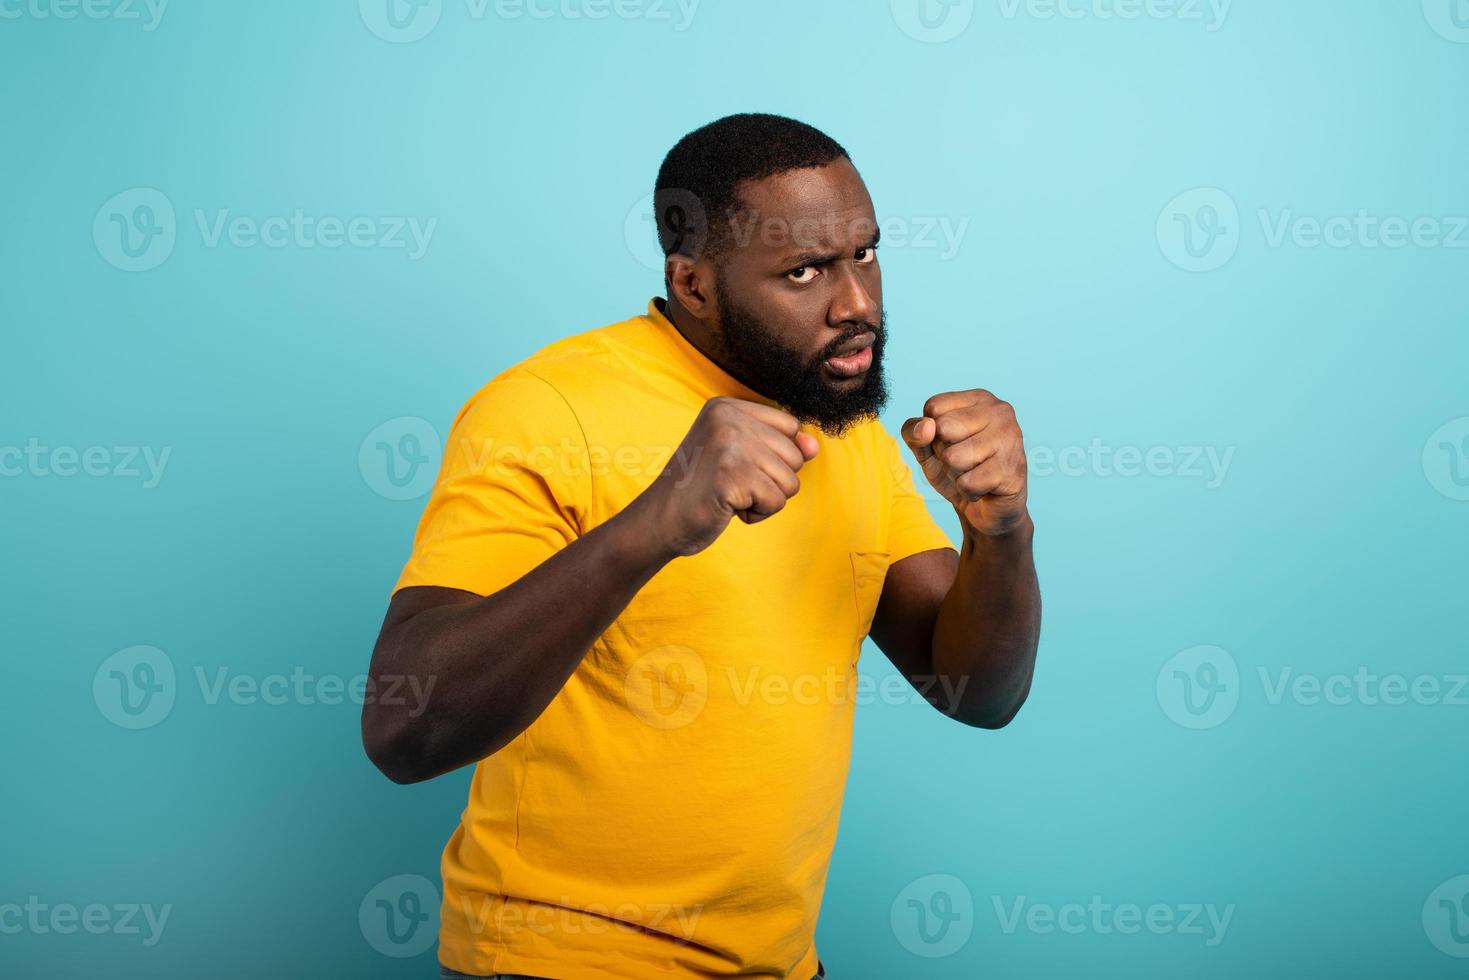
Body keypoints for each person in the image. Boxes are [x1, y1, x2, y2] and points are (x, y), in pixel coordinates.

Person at [362, 112, 1041, 980]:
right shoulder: (542, 410)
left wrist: (1001, 528)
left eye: (864, 254)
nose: (857, 304)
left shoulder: (849, 429)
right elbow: (402, 729)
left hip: (782, 964)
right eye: (803, 271)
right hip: (562, 962)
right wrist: (654, 525)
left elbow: (978, 692)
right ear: (693, 284)